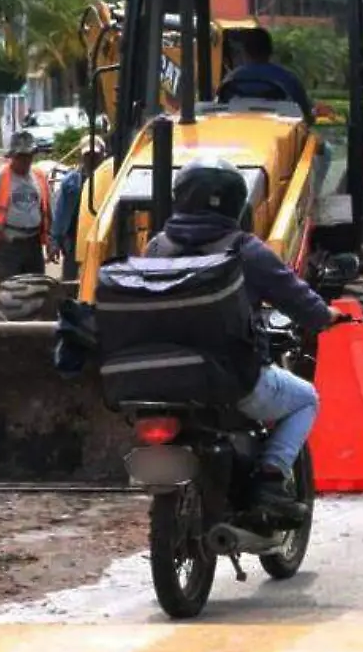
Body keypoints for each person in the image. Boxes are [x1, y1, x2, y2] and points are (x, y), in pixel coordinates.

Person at [145, 157, 352, 520]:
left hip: (162, 379)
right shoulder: (247, 250)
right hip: (231, 380)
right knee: (305, 399)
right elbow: (299, 300)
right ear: (234, 203)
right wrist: (326, 315)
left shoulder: (156, 248)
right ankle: (271, 481)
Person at [0, 131, 56, 285]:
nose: (25, 161)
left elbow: (46, 209)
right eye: (21, 156)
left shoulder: (39, 175)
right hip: (8, 243)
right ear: (12, 156)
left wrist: (51, 239)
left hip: (34, 243)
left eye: (29, 156)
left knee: (36, 290)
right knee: (9, 292)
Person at [219, 27, 316, 122]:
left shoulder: (230, 80)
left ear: (245, 52)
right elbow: (305, 117)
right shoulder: (288, 80)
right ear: (270, 51)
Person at [51, 144, 103, 282]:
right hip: (74, 236)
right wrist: (55, 240)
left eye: (95, 155)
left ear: (103, 155)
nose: (91, 159)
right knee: (70, 278)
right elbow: (60, 212)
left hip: (102, 236)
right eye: (88, 156)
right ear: (82, 157)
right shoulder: (70, 182)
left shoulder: (111, 177)